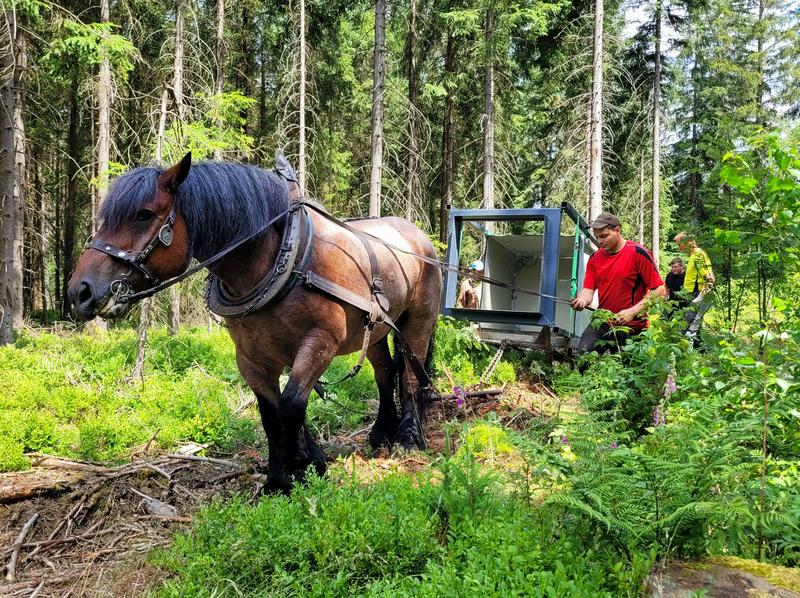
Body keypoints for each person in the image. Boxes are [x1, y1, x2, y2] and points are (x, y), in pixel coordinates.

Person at [571, 212, 667, 356]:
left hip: (633, 326)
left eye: (604, 236)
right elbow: (588, 289)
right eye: (597, 237)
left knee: (629, 374)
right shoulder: (595, 258)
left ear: (617, 230)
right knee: (583, 358)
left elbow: (660, 290)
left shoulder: (638, 253)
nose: (599, 241)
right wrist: (582, 300)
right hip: (602, 322)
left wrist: (632, 312)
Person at [674, 232, 714, 343]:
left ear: (687, 242)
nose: (679, 248)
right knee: (694, 326)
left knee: (687, 324)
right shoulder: (693, 255)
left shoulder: (698, 254)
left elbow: (709, 278)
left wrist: (701, 297)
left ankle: (678, 350)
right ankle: (701, 353)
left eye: (679, 244)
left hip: (698, 294)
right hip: (692, 294)